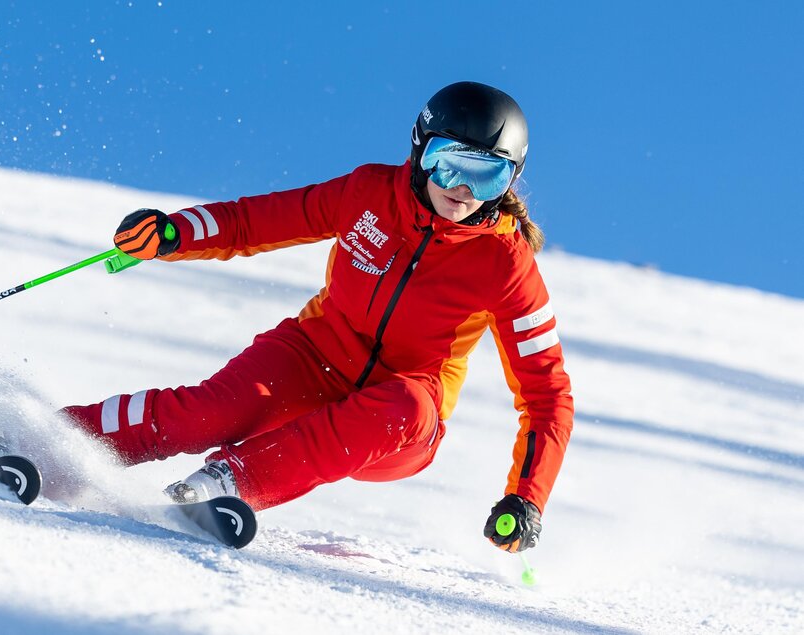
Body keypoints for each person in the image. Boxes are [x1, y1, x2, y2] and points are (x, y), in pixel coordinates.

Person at [61, 81, 572, 553]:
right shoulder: (368, 193)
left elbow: (547, 394)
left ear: (508, 181)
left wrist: (527, 497)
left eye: (487, 174)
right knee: (207, 412)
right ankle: (57, 439)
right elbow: (254, 220)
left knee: (408, 405)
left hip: (395, 421)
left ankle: (231, 482)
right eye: (448, 162)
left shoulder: (506, 263)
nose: (462, 188)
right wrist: (175, 232)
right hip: (311, 357)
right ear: (420, 149)